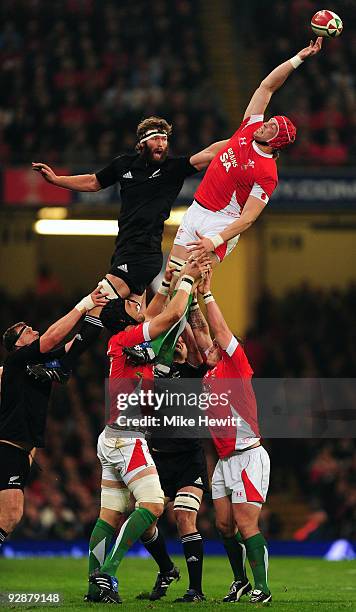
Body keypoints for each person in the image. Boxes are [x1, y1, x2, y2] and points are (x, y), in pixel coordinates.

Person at [32, 117, 227, 375]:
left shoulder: (173, 168)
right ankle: (158, 367)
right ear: (142, 143)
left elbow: (210, 153)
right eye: (156, 139)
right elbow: (93, 181)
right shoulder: (123, 165)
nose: (162, 144)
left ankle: (65, 363)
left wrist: (244, 138)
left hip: (143, 254)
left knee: (98, 301)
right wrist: (57, 180)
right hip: (123, 250)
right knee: (136, 320)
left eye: (165, 139)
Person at [86, 258, 209, 604]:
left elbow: (153, 313)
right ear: (126, 318)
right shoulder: (127, 338)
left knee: (108, 517)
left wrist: (168, 283)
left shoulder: (122, 341)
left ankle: (94, 587)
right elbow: (167, 317)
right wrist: (188, 279)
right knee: (154, 505)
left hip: (111, 436)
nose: (138, 303)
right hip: (128, 437)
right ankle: (108, 574)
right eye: (130, 303)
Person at [170, 39, 323, 266]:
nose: (265, 123)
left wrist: (215, 240)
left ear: (276, 142)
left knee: (187, 282)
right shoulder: (249, 127)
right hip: (195, 210)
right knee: (170, 280)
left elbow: (249, 218)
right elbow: (267, 87)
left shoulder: (267, 172)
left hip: (221, 223)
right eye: (269, 120)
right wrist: (298, 58)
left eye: (272, 127)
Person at [0, 287, 108, 550]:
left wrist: (100, 306)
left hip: (21, 450)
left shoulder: (41, 360)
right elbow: (51, 337)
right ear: (18, 344)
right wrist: (84, 303)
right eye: (27, 332)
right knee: (10, 516)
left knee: (10, 516)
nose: (34, 332)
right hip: (8, 448)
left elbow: (78, 342)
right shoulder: (16, 361)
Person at [196, 270, 271, 604]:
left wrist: (207, 294)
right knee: (223, 525)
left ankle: (263, 588)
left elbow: (219, 330)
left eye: (217, 345)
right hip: (225, 460)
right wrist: (186, 289)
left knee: (244, 522)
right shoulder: (209, 374)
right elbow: (198, 331)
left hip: (247, 455)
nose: (212, 344)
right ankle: (239, 581)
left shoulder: (236, 366)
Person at [139, 322, 209, 603]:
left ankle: (196, 591)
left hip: (189, 459)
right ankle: (167, 569)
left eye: (183, 340)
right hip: (159, 458)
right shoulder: (152, 373)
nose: (180, 343)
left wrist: (183, 308)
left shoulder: (193, 373)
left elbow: (194, 347)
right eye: (175, 340)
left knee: (184, 516)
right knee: (143, 523)